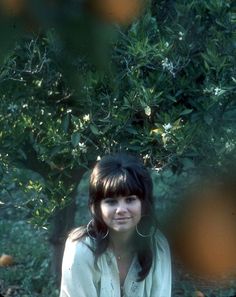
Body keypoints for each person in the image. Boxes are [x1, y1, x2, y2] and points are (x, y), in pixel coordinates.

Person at [59, 153, 171, 297]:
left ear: (144, 204)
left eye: (130, 200)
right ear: (96, 207)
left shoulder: (158, 247)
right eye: (111, 201)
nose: (121, 210)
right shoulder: (81, 250)